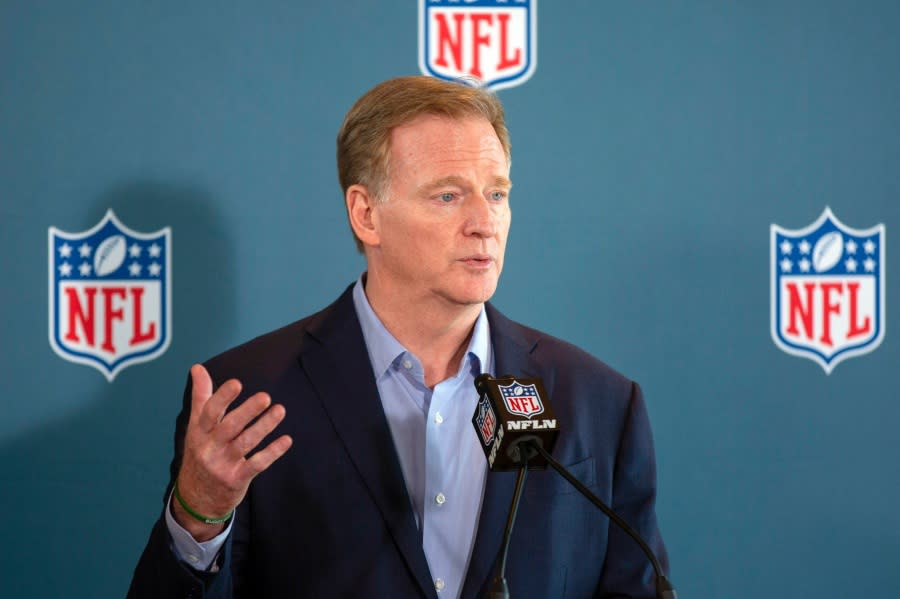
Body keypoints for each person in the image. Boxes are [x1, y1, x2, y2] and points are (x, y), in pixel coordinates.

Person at [128, 76, 669, 598]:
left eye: (497, 193)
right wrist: (198, 517)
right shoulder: (248, 397)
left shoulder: (598, 401)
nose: (485, 222)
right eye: (448, 196)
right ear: (367, 215)